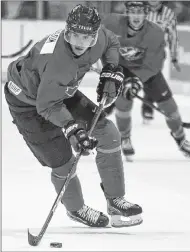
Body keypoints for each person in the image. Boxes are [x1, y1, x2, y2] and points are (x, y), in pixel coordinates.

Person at [4, 4, 143, 228]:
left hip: (60, 90)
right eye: (74, 35)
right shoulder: (56, 61)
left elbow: (112, 42)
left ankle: (115, 200)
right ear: (67, 32)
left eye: (86, 37)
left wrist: (111, 69)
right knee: (63, 162)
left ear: (94, 36)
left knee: (108, 133)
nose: (79, 43)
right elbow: (47, 106)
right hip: (28, 103)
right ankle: (76, 208)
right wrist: (72, 128)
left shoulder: (99, 39)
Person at [102, 1, 190, 161]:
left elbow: (154, 63)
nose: (136, 15)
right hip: (121, 68)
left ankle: (181, 140)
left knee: (169, 106)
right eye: (132, 11)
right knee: (123, 102)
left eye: (140, 11)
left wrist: (137, 81)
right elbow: (99, 43)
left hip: (146, 70)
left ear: (146, 13)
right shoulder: (111, 23)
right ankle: (125, 138)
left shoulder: (155, 33)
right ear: (126, 12)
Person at [140, 0, 181, 122]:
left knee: (151, 80)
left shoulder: (168, 14)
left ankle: (147, 107)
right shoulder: (139, 10)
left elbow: (173, 37)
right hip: (137, 52)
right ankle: (112, 105)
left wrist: (174, 57)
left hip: (157, 55)